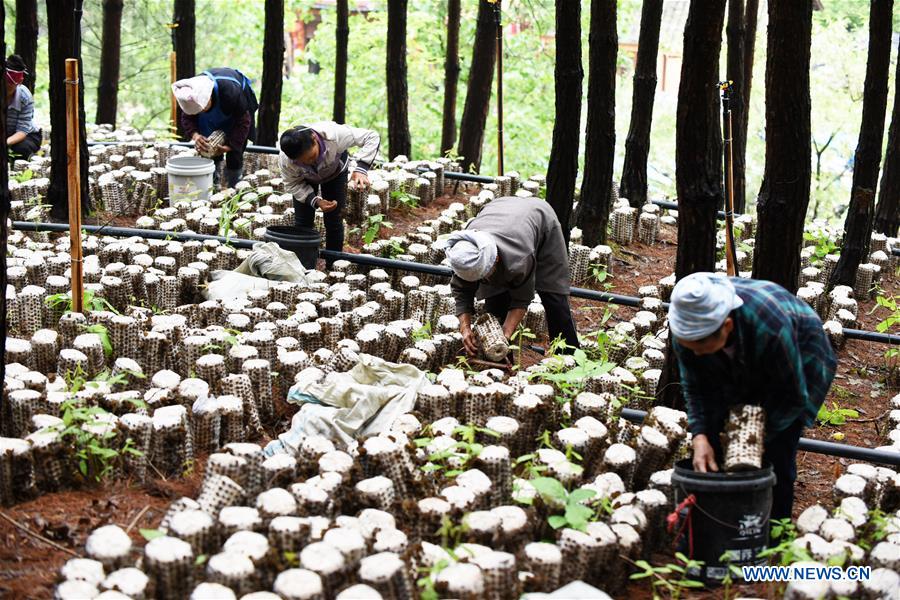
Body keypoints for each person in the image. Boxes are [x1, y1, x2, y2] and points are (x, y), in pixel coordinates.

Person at [668, 272, 837, 521]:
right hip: (744, 353)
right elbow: (695, 387)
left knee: (777, 452)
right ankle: (720, 518)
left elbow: (791, 397)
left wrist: (755, 439)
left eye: (702, 349)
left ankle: (774, 530)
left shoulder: (771, 329)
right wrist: (701, 435)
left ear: (726, 326)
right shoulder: (688, 331)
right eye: (691, 348)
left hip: (801, 353)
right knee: (714, 435)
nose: (698, 356)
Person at [438, 195, 580, 356]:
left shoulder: (520, 259)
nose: (483, 280)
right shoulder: (464, 253)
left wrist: (505, 334)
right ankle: (501, 360)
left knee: (554, 297)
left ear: (496, 259)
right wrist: (465, 328)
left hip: (540, 219)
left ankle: (568, 355)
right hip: (500, 210)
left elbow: (521, 299)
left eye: (484, 275)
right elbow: (462, 290)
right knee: (495, 304)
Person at [279, 122, 380, 267]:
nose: (311, 162)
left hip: (335, 172)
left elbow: (371, 137)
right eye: (303, 161)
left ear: (315, 138)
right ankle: (303, 265)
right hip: (305, 179)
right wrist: (315, 200)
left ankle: (333, 265)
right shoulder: (286, 160)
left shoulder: (334, 135)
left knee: (334, 220)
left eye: (312, 156)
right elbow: (292, 184)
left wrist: (361, 168)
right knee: (302, 223)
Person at [172, 67, 258, 188]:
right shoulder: (189, 93)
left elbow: (243, 122)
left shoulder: (230, 92)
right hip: (212, 120)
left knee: (235, 154)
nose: (201, 111)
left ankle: (234, 185)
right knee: (208, 148)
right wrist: (196, 136)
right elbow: (187, 118)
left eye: (202, 109)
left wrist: (229, 146)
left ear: (209, 97)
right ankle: (212, 183)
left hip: (237, 113)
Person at [5, 55, 42, 161]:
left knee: (21, 149)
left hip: (27, 136)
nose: (9, 86)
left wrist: (5, 143)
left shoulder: (25, 97)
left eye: (11, 84)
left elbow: (22, 131)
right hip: (5, 134)